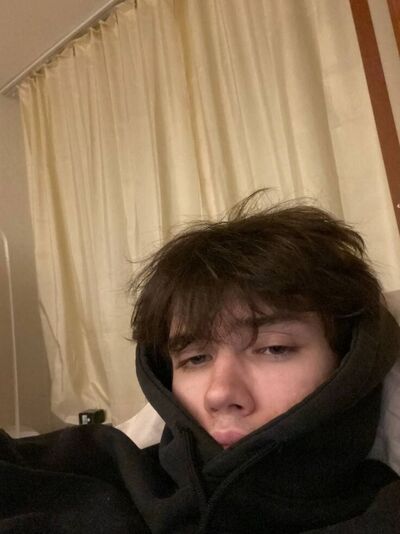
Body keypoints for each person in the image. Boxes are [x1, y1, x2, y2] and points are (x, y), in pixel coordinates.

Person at [1, 191, 400, 533]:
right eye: (195, 358)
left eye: (274, 348)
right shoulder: (103, 470)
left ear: (350, 362)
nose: (220, 393)